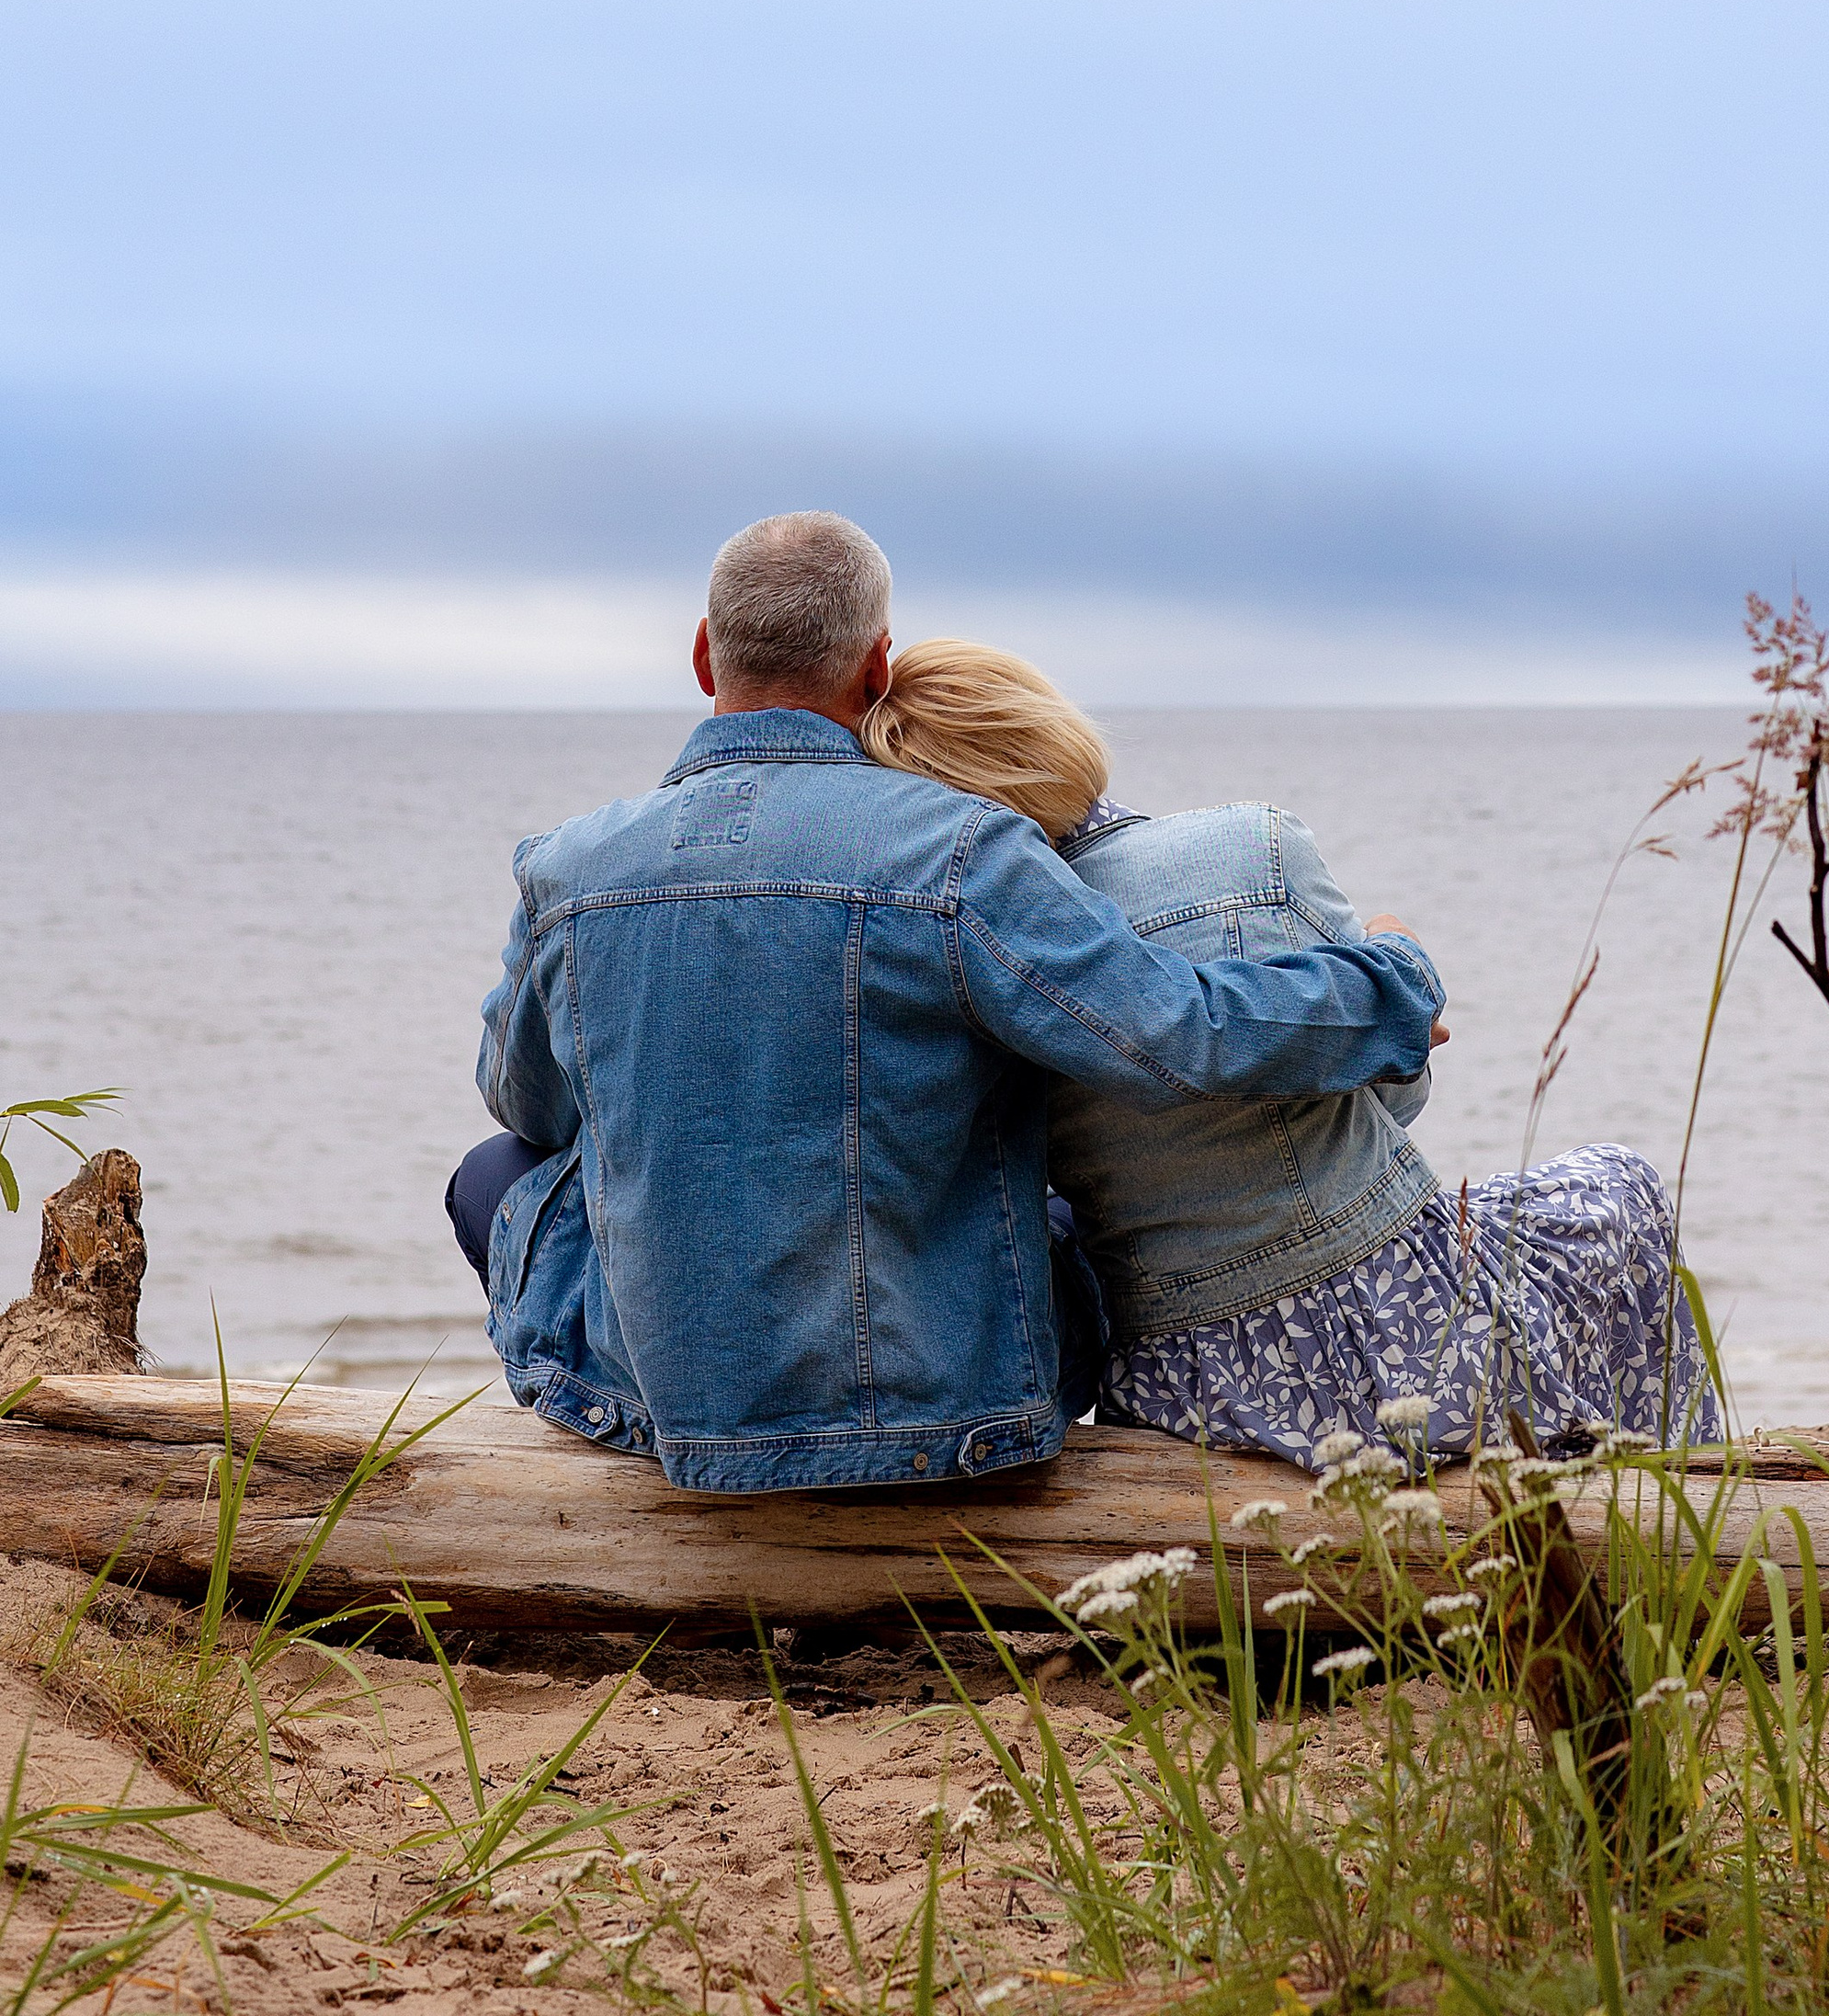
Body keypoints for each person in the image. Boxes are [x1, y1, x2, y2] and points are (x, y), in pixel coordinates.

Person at [447, 513, 1445, 1492]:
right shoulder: (960, 850)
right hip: (943, 1425)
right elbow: (1175, 1034)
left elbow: (527, 1110)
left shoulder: (567, 870)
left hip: (658, 1405)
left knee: (492, 1173)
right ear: (876, 666)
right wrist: (1390, 978)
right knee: (1039, 1206)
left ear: (705, 656)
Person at [862, 635, 1720, 1465]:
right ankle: (1682, 1516)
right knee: (1621, 1187)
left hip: (1183, 1386)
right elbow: (1392, 1098)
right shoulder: (1252, 849)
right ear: (1048, 726)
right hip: (1411, 1334)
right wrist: (1395, 960)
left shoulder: (971, 955)